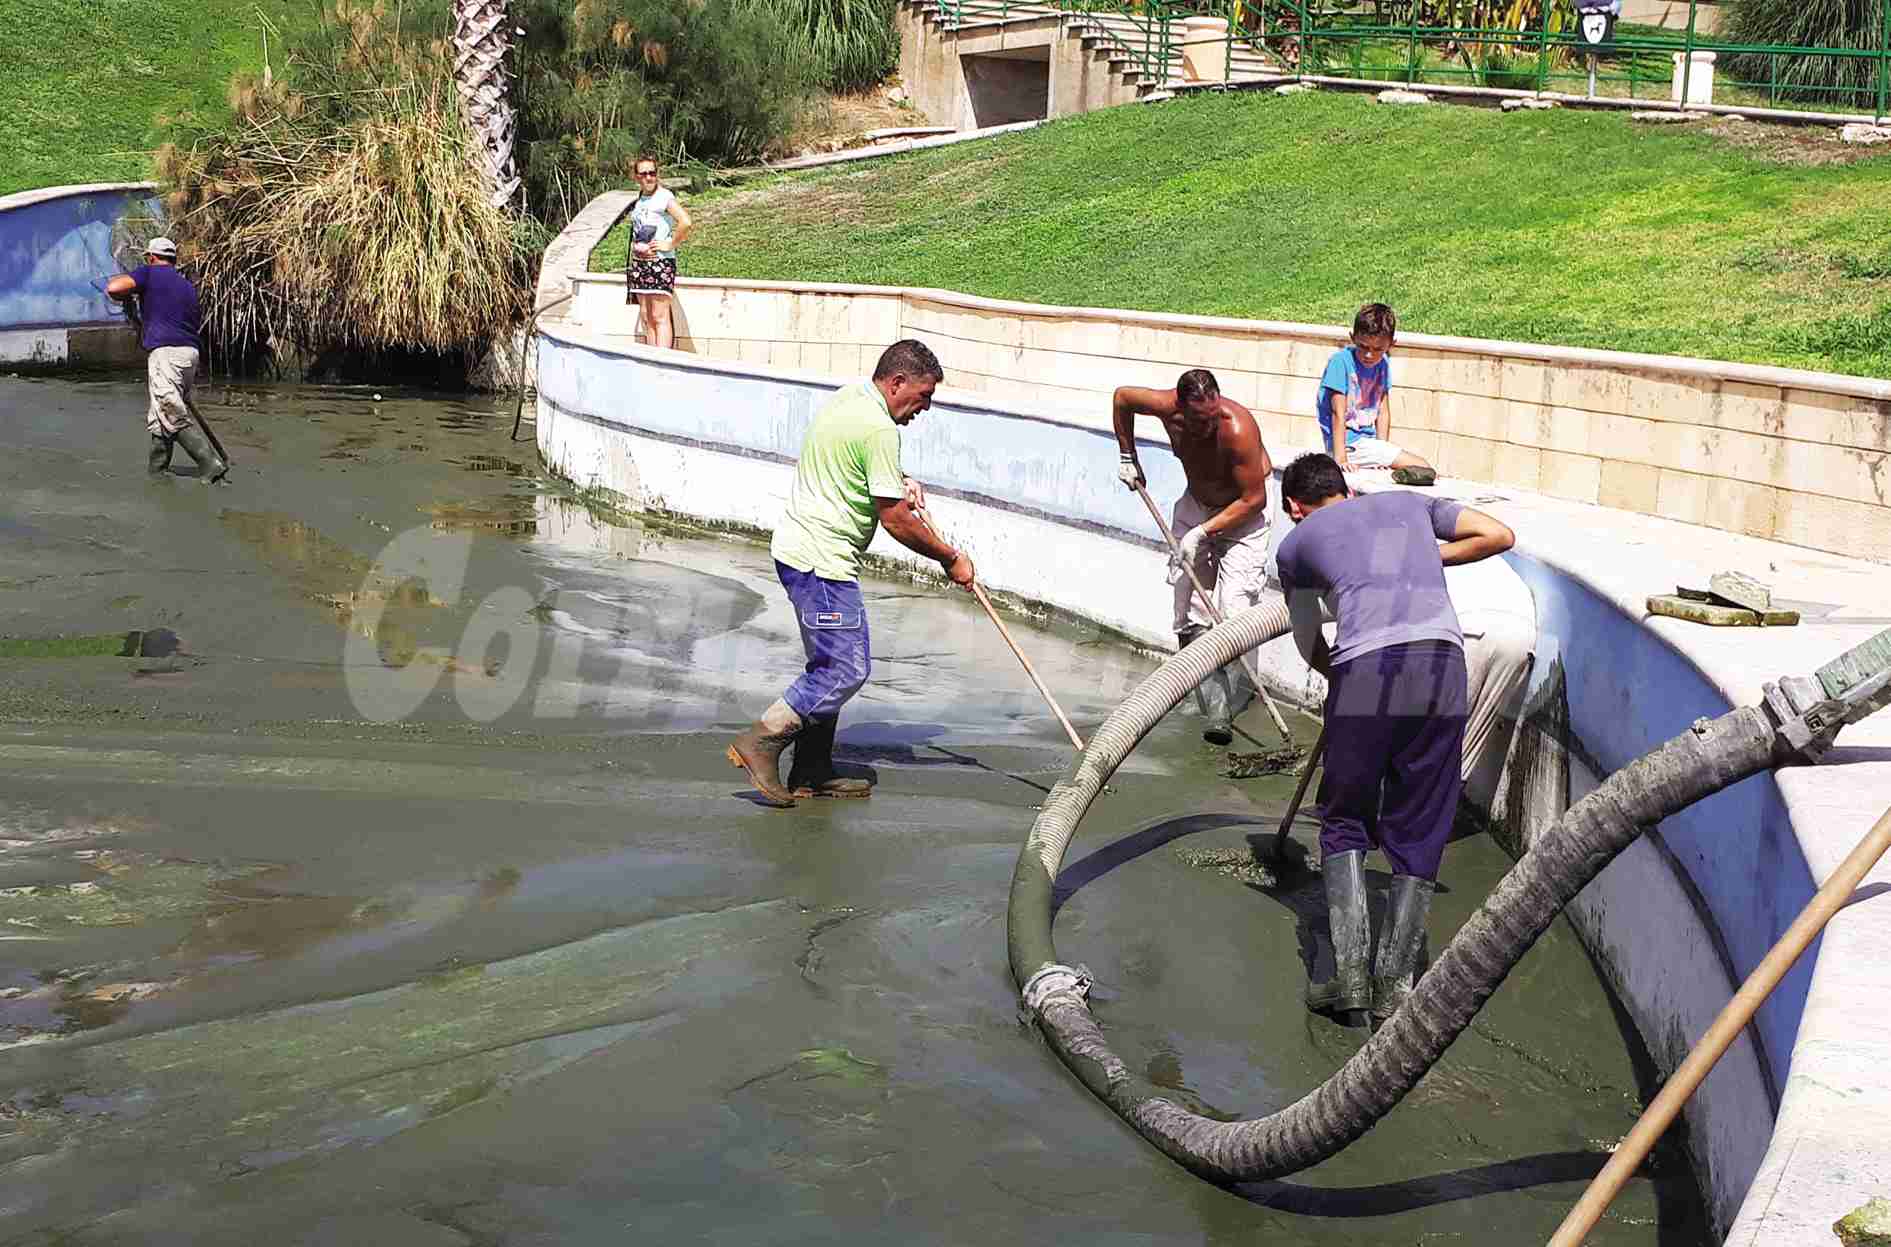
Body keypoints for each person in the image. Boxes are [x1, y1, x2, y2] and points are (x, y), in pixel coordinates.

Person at [1274, 452, 1514, 1025]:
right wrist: (1429, 556)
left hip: (1366, 670)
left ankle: (1349, 979)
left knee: (1345, 816)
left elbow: (1307, 636)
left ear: (1293, 507)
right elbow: (1499, 533)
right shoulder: (1409, 504)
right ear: (1348, 489)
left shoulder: (1296, 543)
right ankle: (1397, 988)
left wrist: (1341, 680)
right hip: (1441, 665)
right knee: (1422, 817)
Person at [727, 339, 975, 808]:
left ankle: (812, 769)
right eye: (922, 396)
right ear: (897, 382)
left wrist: (897, 482)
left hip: (801, 552)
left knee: (828, 665)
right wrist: (949, 557)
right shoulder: (880, 429)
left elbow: (853, 465)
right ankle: (761, 740)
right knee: (845, 668)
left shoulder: (851, 398)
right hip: (822, 565)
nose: (924, 408)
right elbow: (896, 520)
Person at [1112, 368, 1273, 744]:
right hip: (1198, 503)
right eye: (1200, 418)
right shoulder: (1164, 406)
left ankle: (1231, 698)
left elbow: (1255, 499)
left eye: (1214, 414)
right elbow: (1122, 396)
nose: (1208, 424)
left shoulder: (1238, 428)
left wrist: (1202, 534)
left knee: (1234, 611)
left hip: (1243, 514)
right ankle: (1209, 700)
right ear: (1180, 408)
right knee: (1187, 603)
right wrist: (1127, 455)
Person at [104, 237, 225, 481]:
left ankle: (209, 463)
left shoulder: (149, 273)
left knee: (171, 413)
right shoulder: (186, 286)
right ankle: (157, 472)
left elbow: (114, 289)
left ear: (151, 257)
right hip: (190, 356)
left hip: (166, 355)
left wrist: (127, 291)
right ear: (173, 259)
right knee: (160, 416)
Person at [1316, 303, 1431, 477]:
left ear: (1392, 344)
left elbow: (1382, 411)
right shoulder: (1340, 363)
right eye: (1363, 347)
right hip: (1348, 445)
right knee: (1424, 468)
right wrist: (1340, 459)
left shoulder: (1382, 364)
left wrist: (1382, 450)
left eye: (1378, 349)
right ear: (1353, 338)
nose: (1369, 355)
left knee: (1422, 469)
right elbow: (1337, 413)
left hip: (1367, 444)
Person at [625, 155, 692, 351]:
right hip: (640, 263)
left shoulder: (664, 197)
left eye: (652, 173)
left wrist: (670, 244)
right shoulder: (640, 199)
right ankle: (651, 357)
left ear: (657, 175)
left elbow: (685, 222)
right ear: (636, 177)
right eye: (643, 173)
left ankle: (662, 360)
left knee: (659, 315)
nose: (648, 177)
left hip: (659, 263)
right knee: (646, 315)